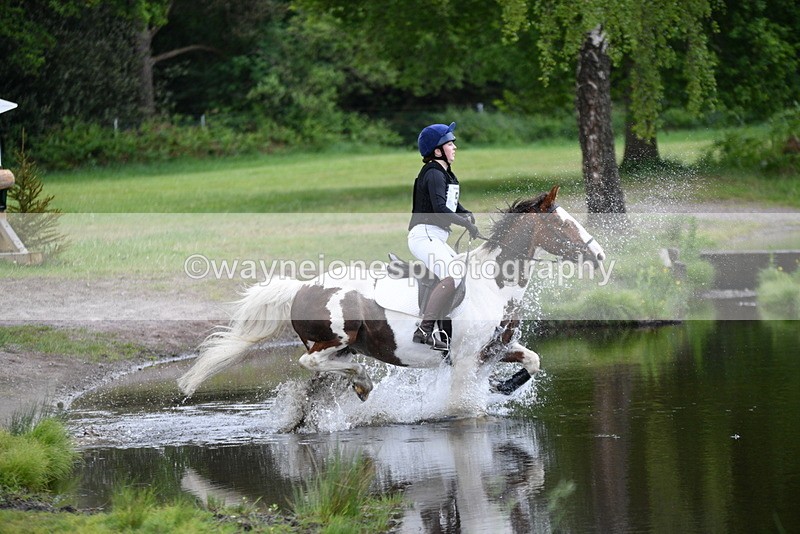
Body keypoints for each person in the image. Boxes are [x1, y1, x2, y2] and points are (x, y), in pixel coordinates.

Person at [407, 122, 479, 349]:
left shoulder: (443, 173)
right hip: (425, 235)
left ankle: (446, 333)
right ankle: (424, 329)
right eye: (449, 144)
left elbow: (449, 203)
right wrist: (465, 224)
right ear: (437, 151)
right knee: (453, 274)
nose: (454, 147)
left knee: (463, 272)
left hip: (434, 236)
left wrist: (465, 213)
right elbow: (439, 209)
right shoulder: (434, 174)